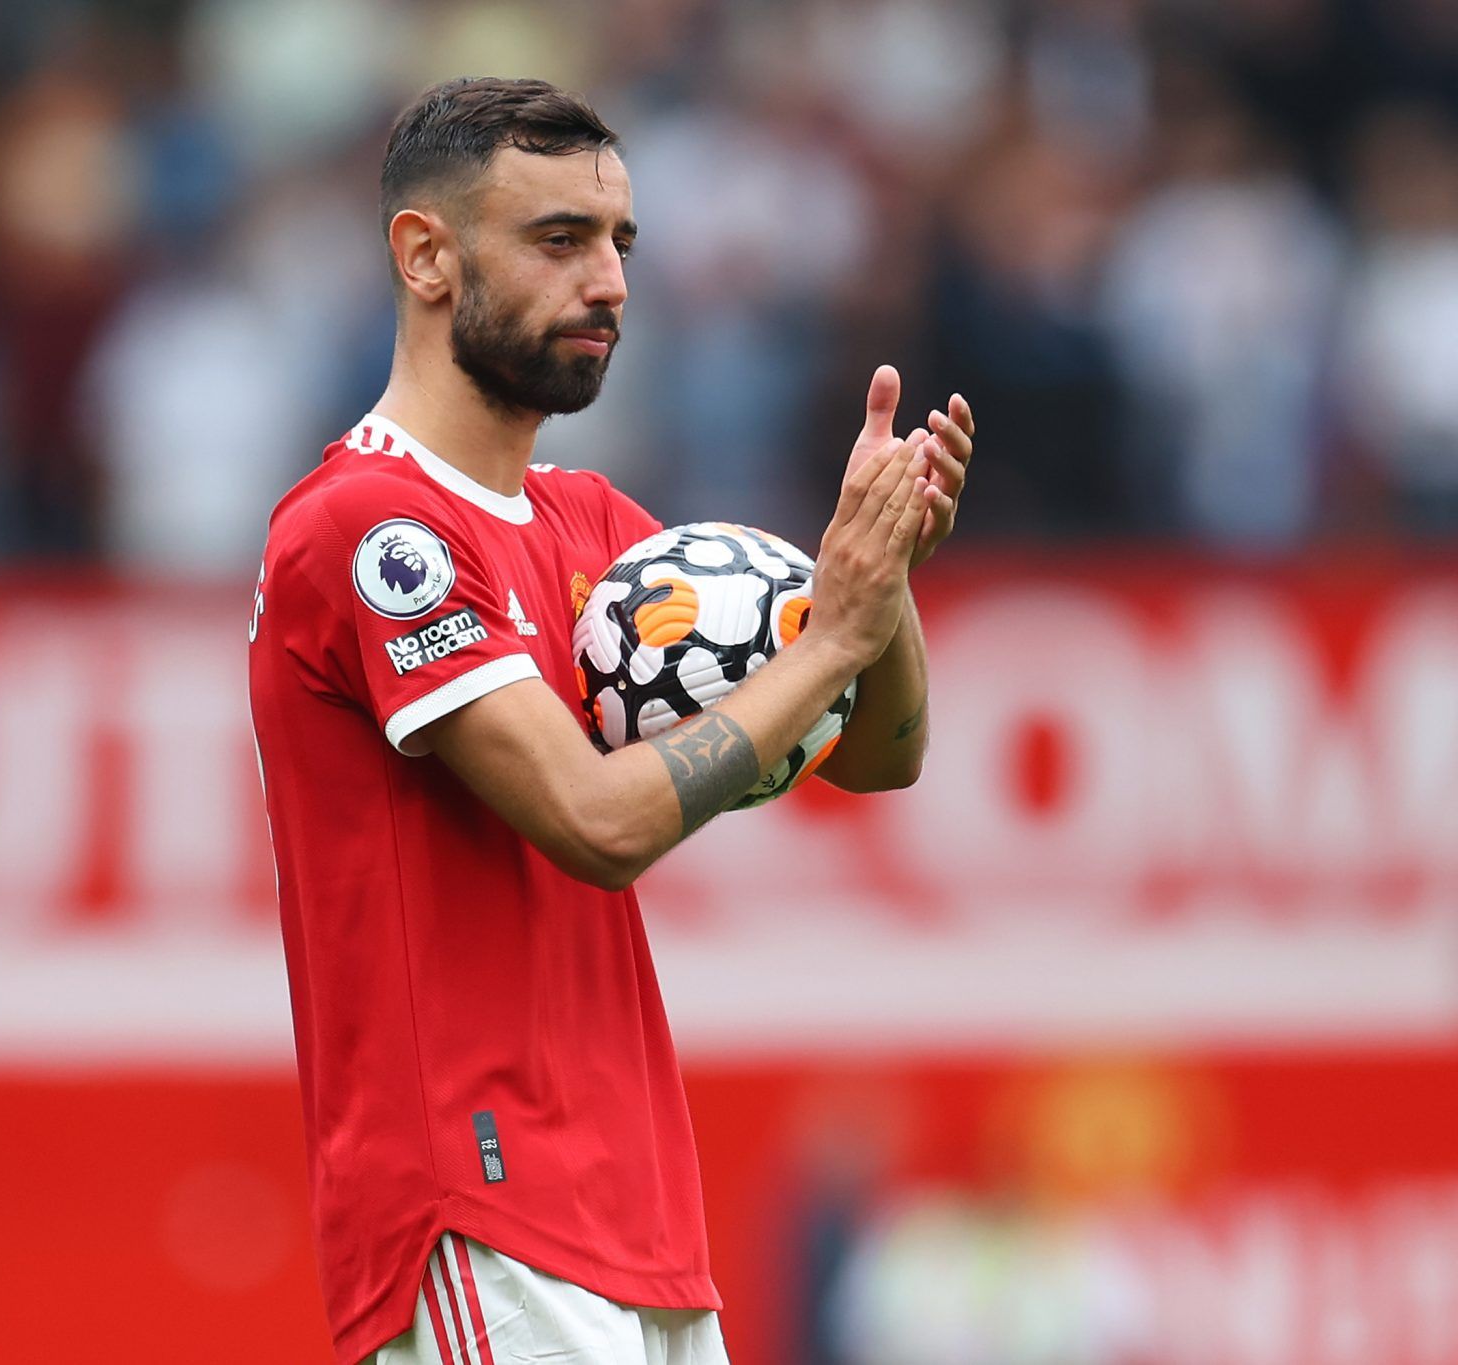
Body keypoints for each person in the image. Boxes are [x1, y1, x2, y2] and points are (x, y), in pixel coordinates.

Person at [247, 76, 973, 1365]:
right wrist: (836, 635)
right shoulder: (371, 530)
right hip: (478, 1211)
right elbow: (597, 823)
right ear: (425, 256)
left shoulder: (593, 524)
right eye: (559, 240)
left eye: (621, 243)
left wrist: (881, 573)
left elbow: (880, 754)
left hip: (638, 1219)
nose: (611, 283)